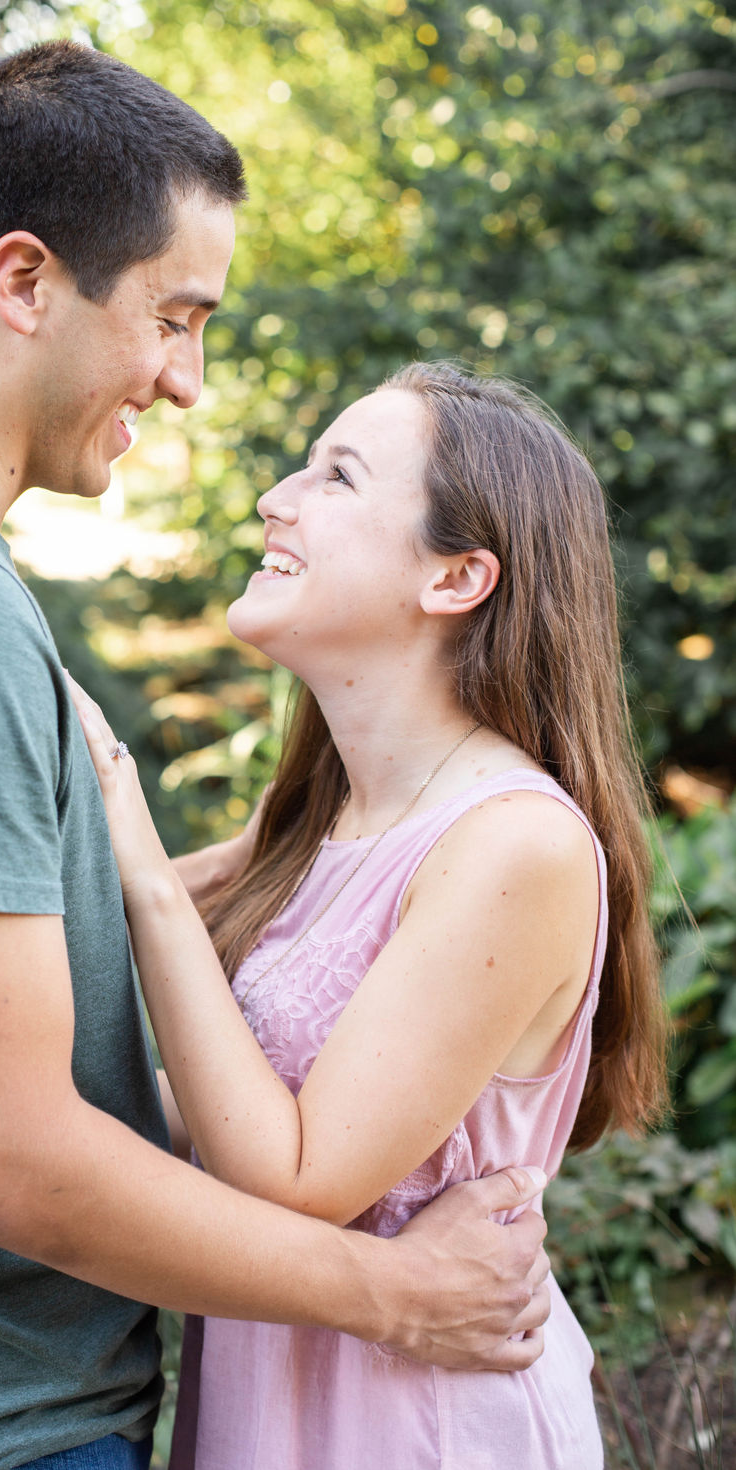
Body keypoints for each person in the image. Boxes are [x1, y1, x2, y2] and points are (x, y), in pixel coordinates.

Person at [0, 42, 551, 1470]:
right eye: (173, 319)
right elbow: (0, 1160)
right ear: (22, 281)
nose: (186, 382)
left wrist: (224, 871)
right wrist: (395, 1293)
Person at [69, 361, 669, 1469]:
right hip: (277, 1415)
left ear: (456, 578)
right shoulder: (320, 818)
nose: (275, 499)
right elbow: (218, 1105)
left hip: (421, 1430)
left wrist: (139, 852)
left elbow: (296, 1174)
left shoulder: (513, 845)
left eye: (336, 476)